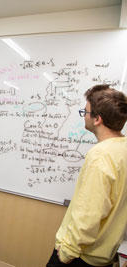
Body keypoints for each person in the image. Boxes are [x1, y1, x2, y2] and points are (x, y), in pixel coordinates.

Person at [46, 84, 127, 267]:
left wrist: (66, 253)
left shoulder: (100, 156)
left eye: (86, 111)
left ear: (97, 119)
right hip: (105, 255)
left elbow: (89, 214)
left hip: (81, 256)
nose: (84, 115)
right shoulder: (123, 148)